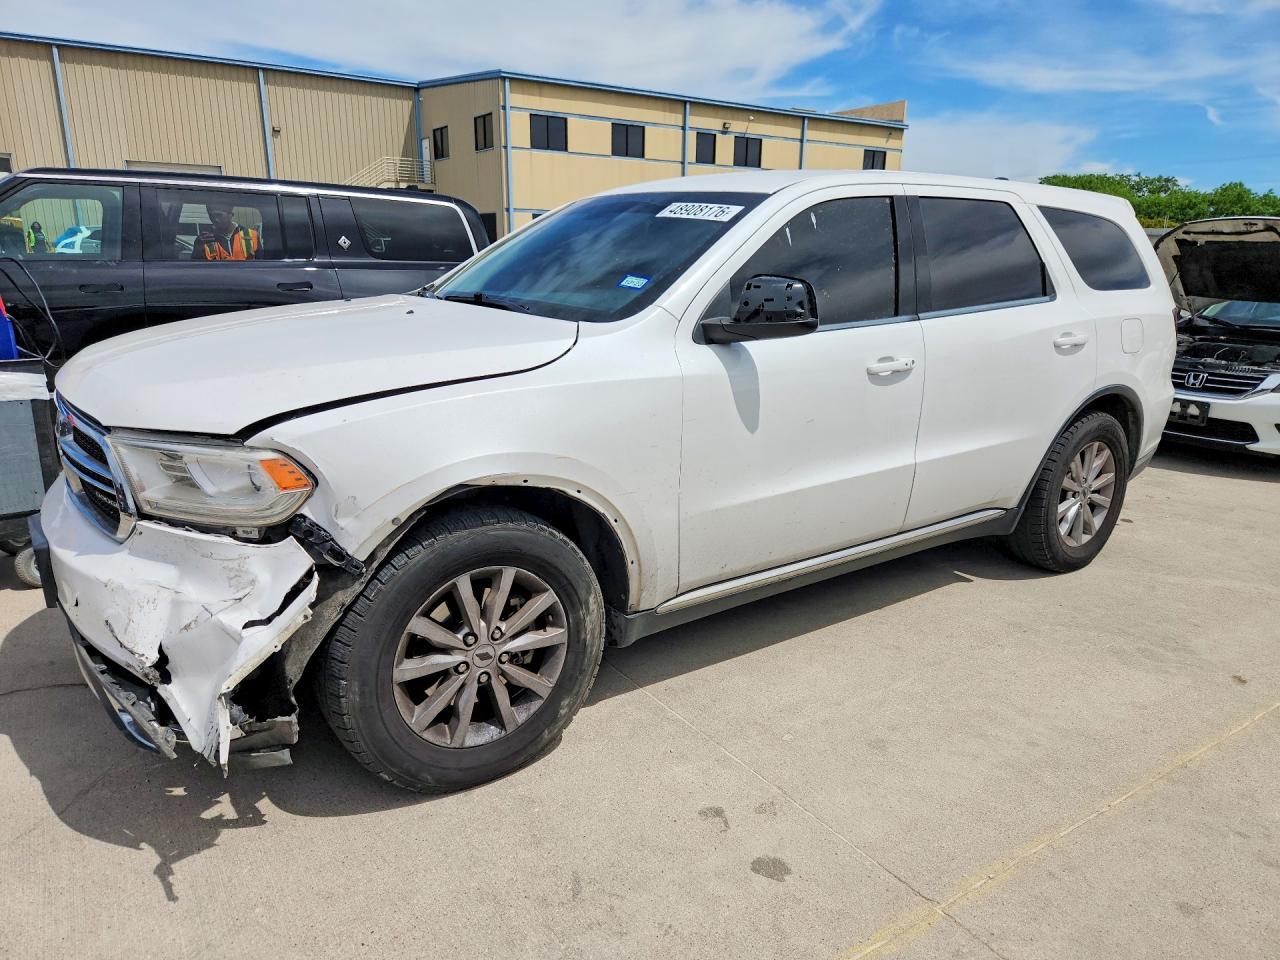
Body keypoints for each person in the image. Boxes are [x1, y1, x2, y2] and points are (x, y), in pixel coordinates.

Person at [193, 202, 260, 260]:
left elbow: (262, 262)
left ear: (231, 215)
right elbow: (197, 265)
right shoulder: (205, 239)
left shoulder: (251, 235)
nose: (215, 219)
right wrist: (198, 247)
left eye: (219, 215)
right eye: (211, 216)